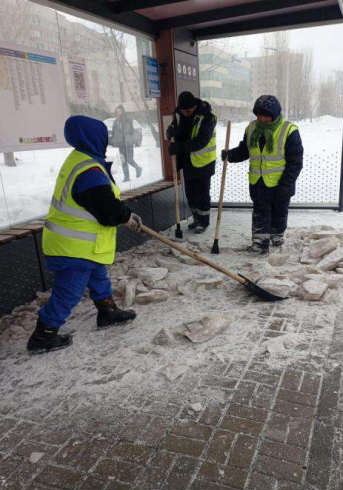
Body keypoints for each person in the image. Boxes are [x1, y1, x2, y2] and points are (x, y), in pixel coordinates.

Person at [27, 115, 142, 354]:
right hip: (74, 246)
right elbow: (107, 209)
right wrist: (126, 217)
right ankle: (44, 334)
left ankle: (107, 311)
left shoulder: (81, 159)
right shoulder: (88, 170)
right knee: (69, 291)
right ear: (93, 137)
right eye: (103, 136)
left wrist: (123, 215)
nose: (106, 141)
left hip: (83, 245)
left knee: (98, 276)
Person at [222, 95, 303, 254]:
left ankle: (277, 233)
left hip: (281, 183)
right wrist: (231, 155)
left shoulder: (289, 131)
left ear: (275, 114)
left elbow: (296, 162)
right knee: (260, 212)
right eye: (259, 115)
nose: (262, 119)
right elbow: (245, 150)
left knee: (279, 212)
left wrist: (286, 184)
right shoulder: (252, 128)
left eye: (266, 115)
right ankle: (260, 243)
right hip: (258, 182)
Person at [167, 91, 217, 234]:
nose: (186, 114)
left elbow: (201, 141)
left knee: (202, 193)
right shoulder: (178, 114)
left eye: (188, 111)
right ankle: (196, 218)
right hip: (187, 161)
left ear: (195, 106)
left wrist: (179, 147)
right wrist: (170, 132)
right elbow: (176, 129)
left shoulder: (207, 117)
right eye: (183, 111)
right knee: (190, 193)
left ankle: (204, 221)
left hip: (203, 162)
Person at [112, 105, 142, 182]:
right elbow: (114, 132)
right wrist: (115, 140)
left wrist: (121, 129)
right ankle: (126, 177)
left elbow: (128, 130)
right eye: (117, 111)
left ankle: (138, 168)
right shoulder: (116, 121)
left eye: (119, 111)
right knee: (123, 161)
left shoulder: (127, 120)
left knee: (129, 160)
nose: (118, 113)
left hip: (128, 143)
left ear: (122, 111)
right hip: (120, 144)